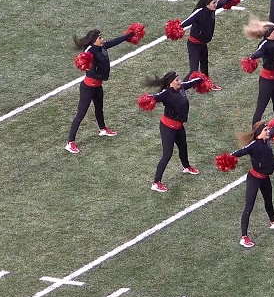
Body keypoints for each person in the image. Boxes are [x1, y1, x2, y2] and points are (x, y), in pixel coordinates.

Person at [66, 23, 145, 153]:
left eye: (101, 37)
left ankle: (102, 129)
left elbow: (114, 42)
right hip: (88, 87)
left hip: (97, 86)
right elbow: (83, 63)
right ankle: (70, 142)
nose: (102, 39)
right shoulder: (89, 51)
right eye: (100, 38)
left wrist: (130, 34)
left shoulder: (101, 46)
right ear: (93, 41)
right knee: (81, 114)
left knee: (99, 108)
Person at [217, 120, 274, 248]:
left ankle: (273, 222)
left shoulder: (267, 139)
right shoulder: (254, 145)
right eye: (265, 130)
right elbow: (239, 152)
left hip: (265, 178)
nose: (268, 132)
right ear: (259, 133)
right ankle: (244, 237)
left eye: (267, 130)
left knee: (269, 201)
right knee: (249, 206)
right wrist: (227, 158)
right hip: (254, 179)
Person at [137, 71, 211, 192]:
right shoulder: (166, 94)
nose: (179, 82)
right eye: (177, 80)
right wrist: (146, 99)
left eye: (179, 79)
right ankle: (156, 182)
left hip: (178, 126)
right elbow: (154, 97)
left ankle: (186, 167)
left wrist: (200, 80)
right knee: (167, 154)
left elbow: (191, 83)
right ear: (170, 83)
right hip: (167, 127)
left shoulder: (181, 88)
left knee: (183, 148)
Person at [166, 0, 240, 88]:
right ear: (206, 4)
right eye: (214, 3)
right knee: (193, 71)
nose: (216, 4)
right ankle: (180, 88)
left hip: (203, 44)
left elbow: (223, 1)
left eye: (216, 2)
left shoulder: (213, 7)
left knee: (204, 65)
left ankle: (207, 84)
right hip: (194, 45)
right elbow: (186, 22)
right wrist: (176, 28)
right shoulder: (199, 12)